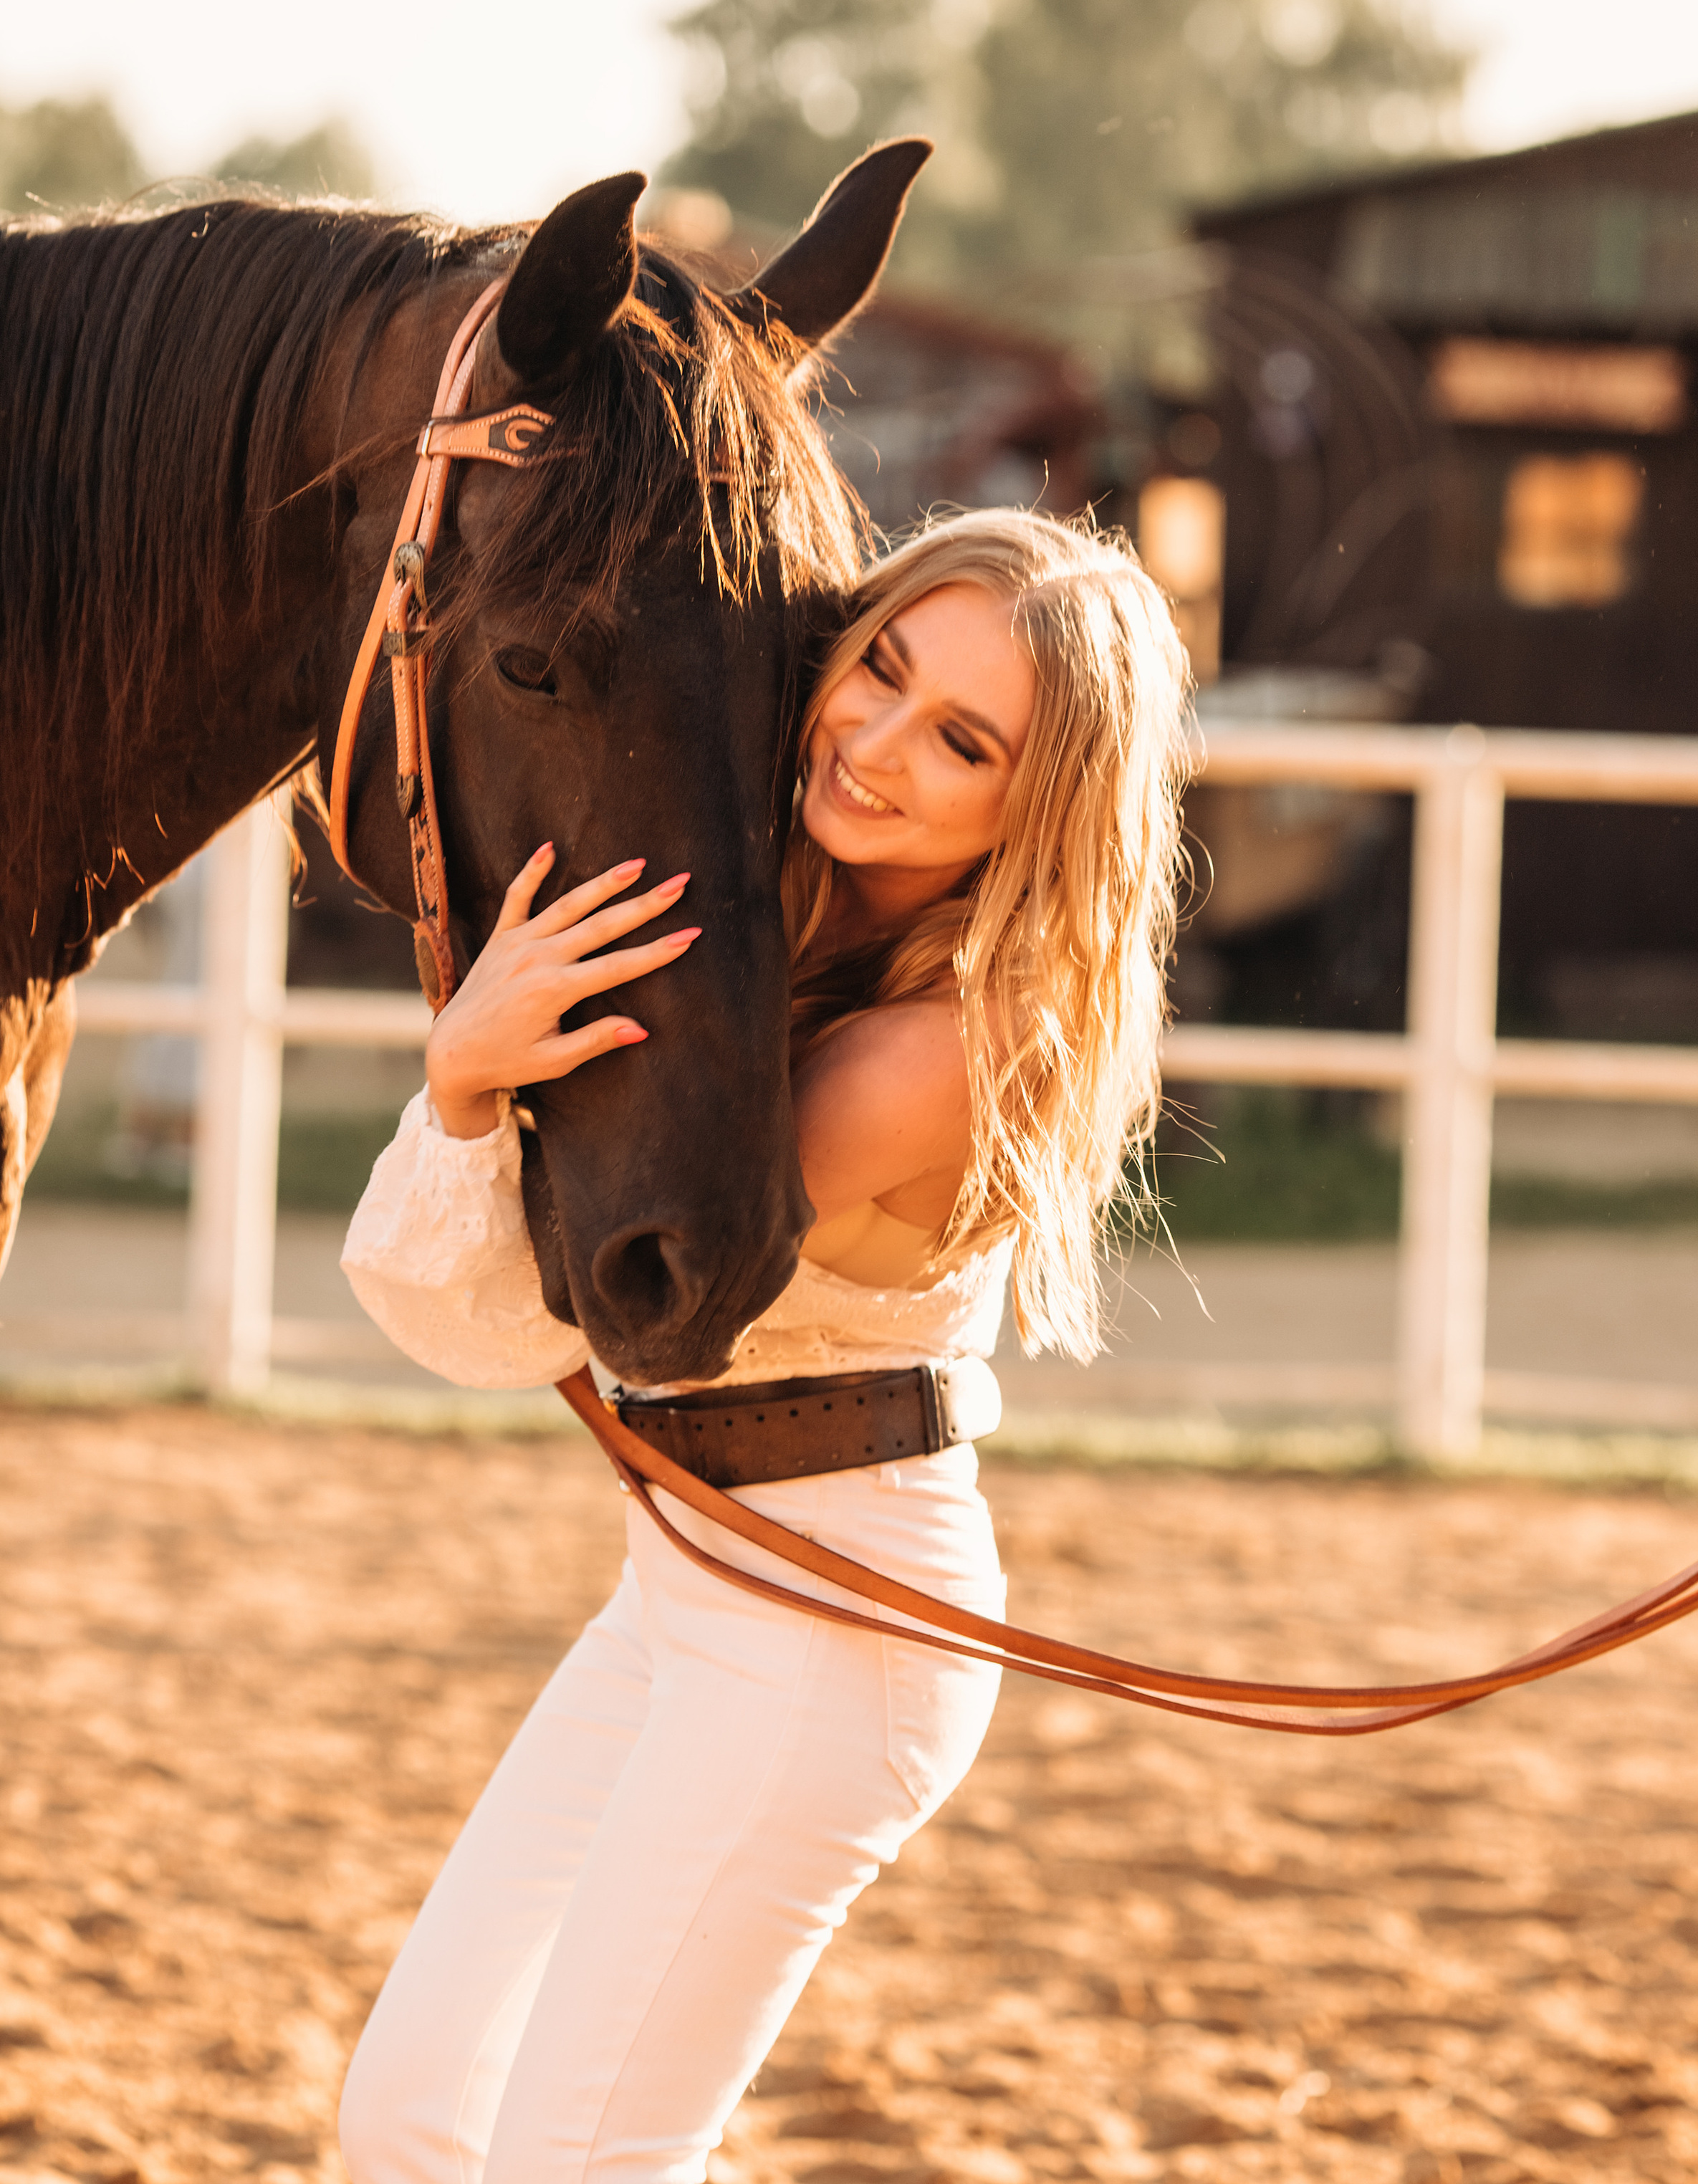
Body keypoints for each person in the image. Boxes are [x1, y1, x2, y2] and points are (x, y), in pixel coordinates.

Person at [336, 505, 1190, 2184]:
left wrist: (469, 1075)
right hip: (689, 1586)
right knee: (416, 2116)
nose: (873, 744)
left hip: (837, 1623)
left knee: (582, 2163)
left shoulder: (965, 1042)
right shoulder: (778, 908)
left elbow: (572, 1291)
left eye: (960, 743)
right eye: (876, 667)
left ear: (1037, 807)